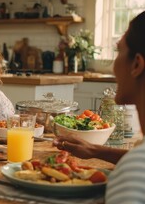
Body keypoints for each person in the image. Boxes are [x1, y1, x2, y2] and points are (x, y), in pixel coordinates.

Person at [54, 11, 145, 203]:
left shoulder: (134, 172)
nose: (113, 67)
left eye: (119, 52)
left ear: (137, 65)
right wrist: (97, 151)